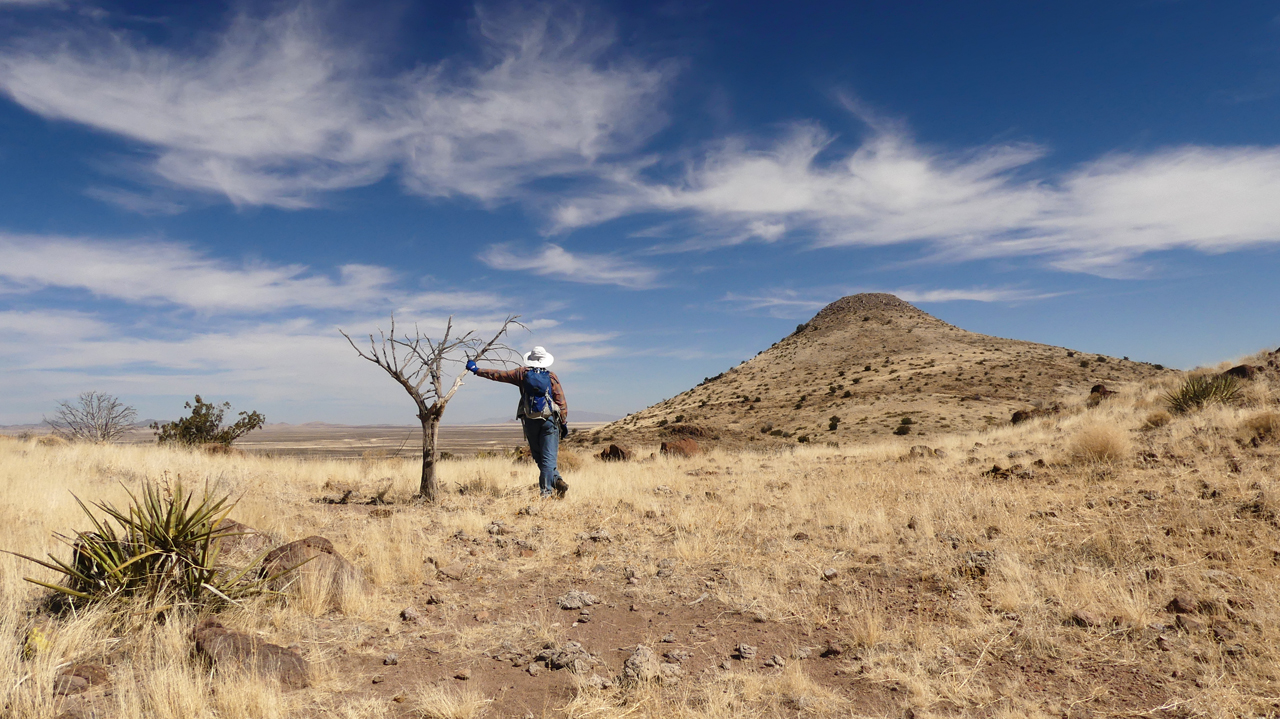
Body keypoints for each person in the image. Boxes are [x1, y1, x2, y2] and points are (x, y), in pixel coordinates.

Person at [466, 346, 570, 498]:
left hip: (529, 420)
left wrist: (476, 369)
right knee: (548, 457)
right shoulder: (551, 377)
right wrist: (564, 422)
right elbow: (561, 402)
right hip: (549, 421)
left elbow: (498, 374)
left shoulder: (521, 373)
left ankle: (554, 483)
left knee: (538, 456)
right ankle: (549, 490)